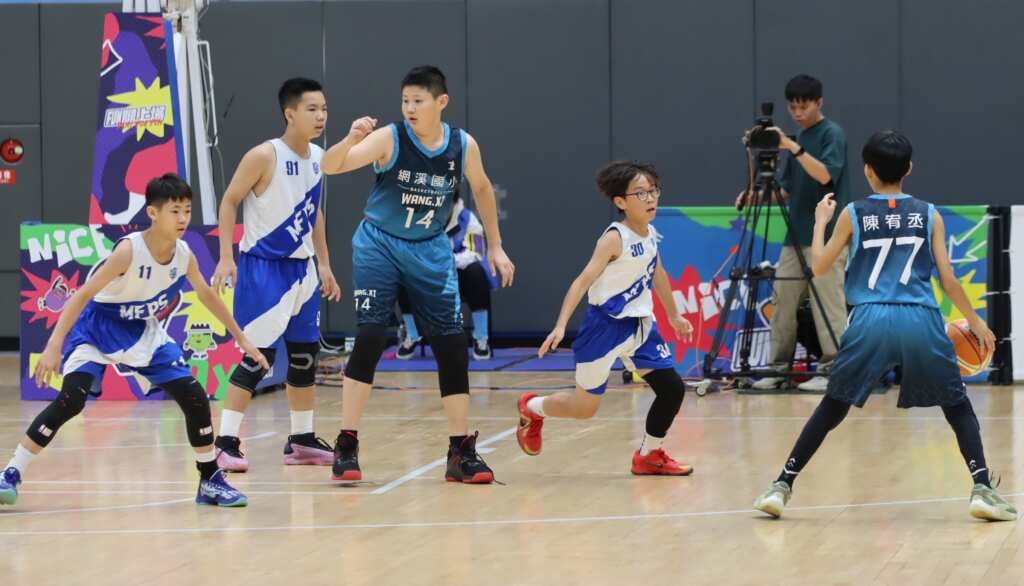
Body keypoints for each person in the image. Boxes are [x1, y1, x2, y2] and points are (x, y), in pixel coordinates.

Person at [752, 130, 1017, 521]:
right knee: (956, 405)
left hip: (870, 317)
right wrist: (976, 320)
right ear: (909, 168)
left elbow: (819, 267)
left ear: (867, 170)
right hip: (919, 317)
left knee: (833, 405)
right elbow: (947, 280)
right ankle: (982, 488)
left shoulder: (853, 213)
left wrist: (820, 222)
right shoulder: (929, 214)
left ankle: (782, 485)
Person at [0, 174, 268, 508]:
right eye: (175, 211)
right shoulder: (128, 251)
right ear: (153, 213)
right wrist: (54, 345)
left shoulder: (184, 255)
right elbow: (82, 295)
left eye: (187, 210)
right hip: (97, 328)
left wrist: (243, 339)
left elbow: (208, 295)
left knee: (195, 396)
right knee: (71, 400)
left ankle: (210, 479)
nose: (183, 218)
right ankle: (11, 472)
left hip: (142, 330)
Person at [320, 65, 515, 484]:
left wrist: (496, 246)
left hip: (430, 249)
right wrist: (350, 139)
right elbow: (331, 166)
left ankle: (460, 451)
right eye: (405, 100)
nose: (409, 108)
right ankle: (347, 442)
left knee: (451, 343)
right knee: (371, 335)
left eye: (418, 101)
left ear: (441, 102)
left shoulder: (462, 144)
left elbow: (482, 188)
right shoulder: (389, 137)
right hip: (379, 244)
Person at [516, 161, 695, 476]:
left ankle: (648, 455)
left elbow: (658, 273)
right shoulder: (614, 238)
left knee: (672, 389)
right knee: (584, 409)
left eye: (653, 190)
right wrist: (561, 324)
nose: (651, 198)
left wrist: (674, 314)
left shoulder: (651, 233)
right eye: (641, 193)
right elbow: (582, 281)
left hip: (639, 326)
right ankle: (532, 407)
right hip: (604, 328)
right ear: (621, 202)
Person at [210, 78, 343, 472]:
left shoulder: (319, 157)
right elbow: (229, 200)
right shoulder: (263, 155)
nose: (321, 116)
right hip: (263, 269)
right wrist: (225, 257)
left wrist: (324, 263)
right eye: (312, 109)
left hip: (303, 270)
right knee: (259, 358)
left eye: (324, 109)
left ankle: (301, 440)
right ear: (290, 113)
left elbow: (315, 213)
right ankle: (225, 443)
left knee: (304, 357)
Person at [740, 74, 850, 392]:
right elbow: (786, 188)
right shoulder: (800, 136)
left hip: (828, 234)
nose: (798, 113)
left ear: (819, 103)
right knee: (783, 301)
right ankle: (778, 369)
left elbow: (826, 175)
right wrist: (754, 196)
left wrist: (791, 146)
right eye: (793, 107)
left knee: (827, 303)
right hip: (796, 234)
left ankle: (833, 371)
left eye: (804, 107)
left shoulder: (831, 134)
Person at [396, 189, 497, 360]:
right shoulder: (420, 220)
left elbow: (476, 252)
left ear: (453, 201)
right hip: (429, 278)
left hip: (460, 278)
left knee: (476, 271)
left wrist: (447, 261)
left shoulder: (468, 219)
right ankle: (412, 335)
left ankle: (481, 338)